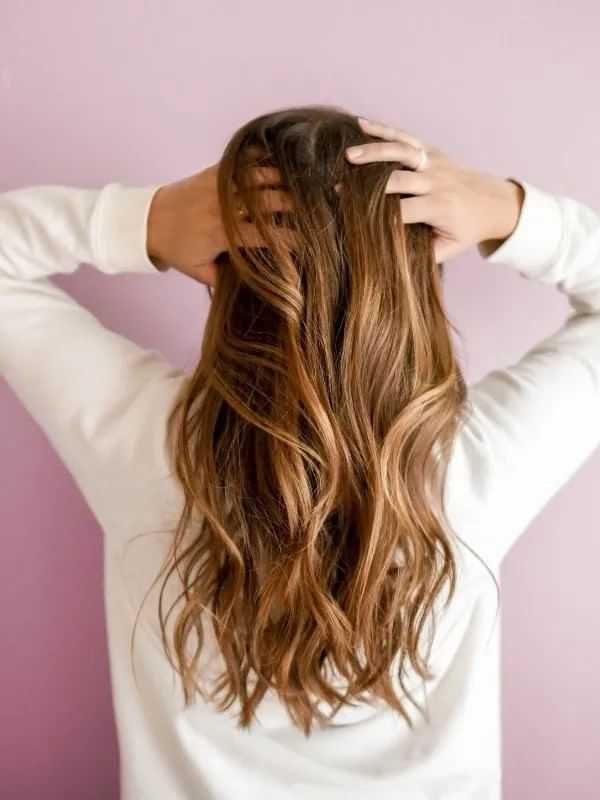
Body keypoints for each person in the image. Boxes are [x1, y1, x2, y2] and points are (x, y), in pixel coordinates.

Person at [1, 105, 599, 800]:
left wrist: (149, 221)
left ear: (222, 269)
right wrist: (506, 211)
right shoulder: (477, 464)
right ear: (417, 277)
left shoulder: (148, 443)